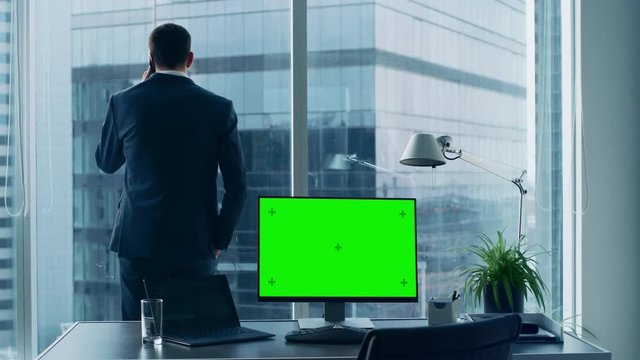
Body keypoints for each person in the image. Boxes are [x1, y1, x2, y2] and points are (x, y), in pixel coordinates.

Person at [95, 23, 247, 321]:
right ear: (189, 58)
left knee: (138, 339)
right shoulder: (219, 108)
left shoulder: (125, 102)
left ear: (150, 58)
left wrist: (134, 94)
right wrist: (218, 240)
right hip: (196, 244)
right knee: (195, 334)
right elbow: (237, 187)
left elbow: (107, 162)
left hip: (138, 244)